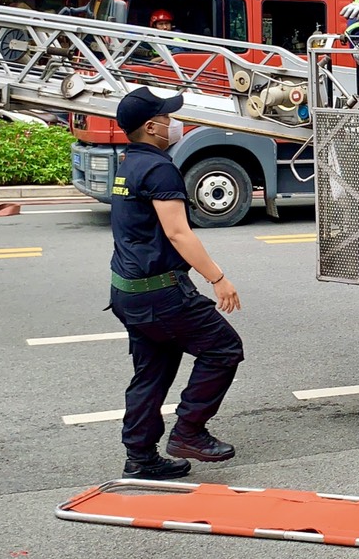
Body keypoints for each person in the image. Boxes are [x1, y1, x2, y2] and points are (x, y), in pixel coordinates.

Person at [108, 86, 245, 481]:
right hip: (161, 293)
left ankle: (140, 458)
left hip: (127, 290)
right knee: (223, 349)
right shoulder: (159, 168)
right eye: (168, 118)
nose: (174, 123)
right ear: (152, 127)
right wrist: (218, 279)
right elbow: (178, 233)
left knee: (152, 371)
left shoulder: (129, 161)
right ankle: (189, 432)